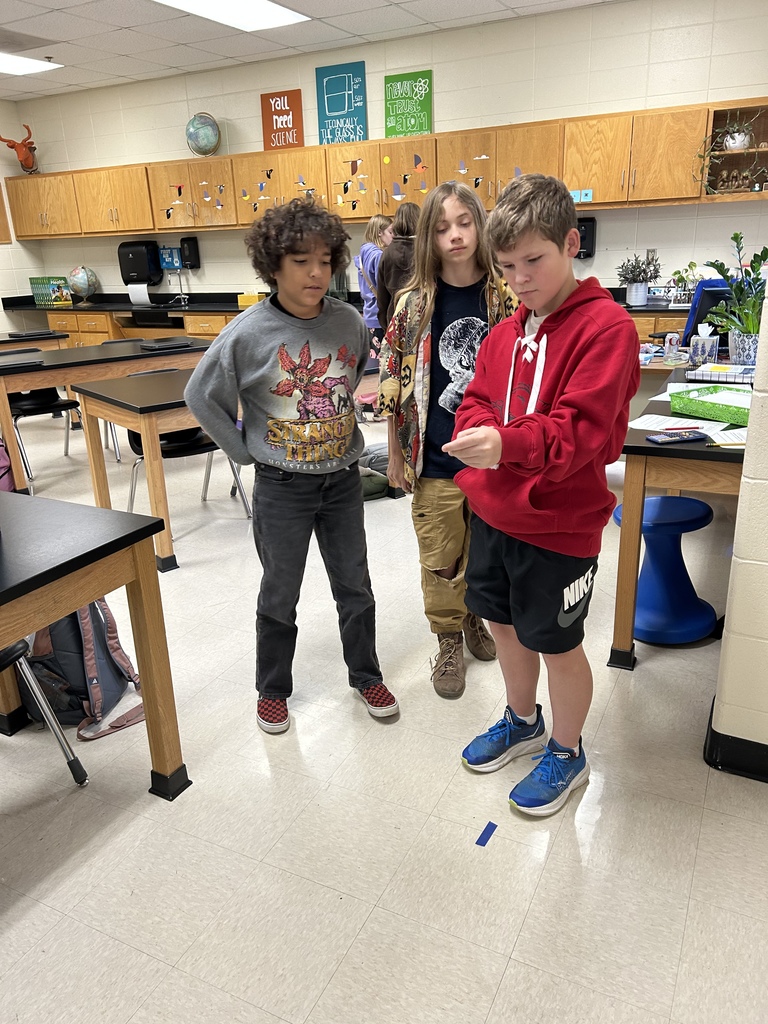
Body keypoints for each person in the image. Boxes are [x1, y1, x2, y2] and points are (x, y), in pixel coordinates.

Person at [443, 174, 640, 816]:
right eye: (506, 267)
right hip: (495, 516)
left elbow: (582, 432)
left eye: (533, 260)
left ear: (571, 244)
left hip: (560, 525)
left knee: (556, 642)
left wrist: (505, 444)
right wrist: (483, 432)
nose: (519, 279)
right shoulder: (505, 333)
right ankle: (523, 720)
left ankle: (567, 749)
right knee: (502, 625)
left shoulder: (607, 329)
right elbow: (475, 400)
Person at [185, 198, 398, 735]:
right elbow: (201, 395)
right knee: (280, 591)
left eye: (325, 260)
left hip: (342, 481)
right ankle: (273, 689)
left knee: (355, 586)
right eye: (302, 261)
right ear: (273, 265)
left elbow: (351, 379)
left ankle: (366, 675)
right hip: (281, 487)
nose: (316, 273)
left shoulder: (348, 321)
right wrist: (243, 451)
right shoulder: (247, 333)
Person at [378, 181, 517, 699]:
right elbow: (392, 382)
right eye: (441, 228)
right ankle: (448, 638)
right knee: (441, 557)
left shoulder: (505, 296)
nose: (455, 236)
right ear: (429, 239)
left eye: (464, 223)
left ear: (480, 226)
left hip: (493, 460)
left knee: (485, 552)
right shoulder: (413, 304)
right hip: (434, 459)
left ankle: (474, 616)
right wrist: (396, 454)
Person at [354, 213, 393, 363]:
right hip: (380, 317)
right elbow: (384, 288)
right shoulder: (377, 256)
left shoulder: (365, 252)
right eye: (390, 232)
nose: (394, 236)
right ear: (379, 232)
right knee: (386, 366)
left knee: (376, 364)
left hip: (370, 315)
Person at [377, 201, 420, 331]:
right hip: (423, 322)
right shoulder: (426, 252)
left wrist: (386, 327)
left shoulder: (386, 254)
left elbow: (382, 299)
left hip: (395, 321)